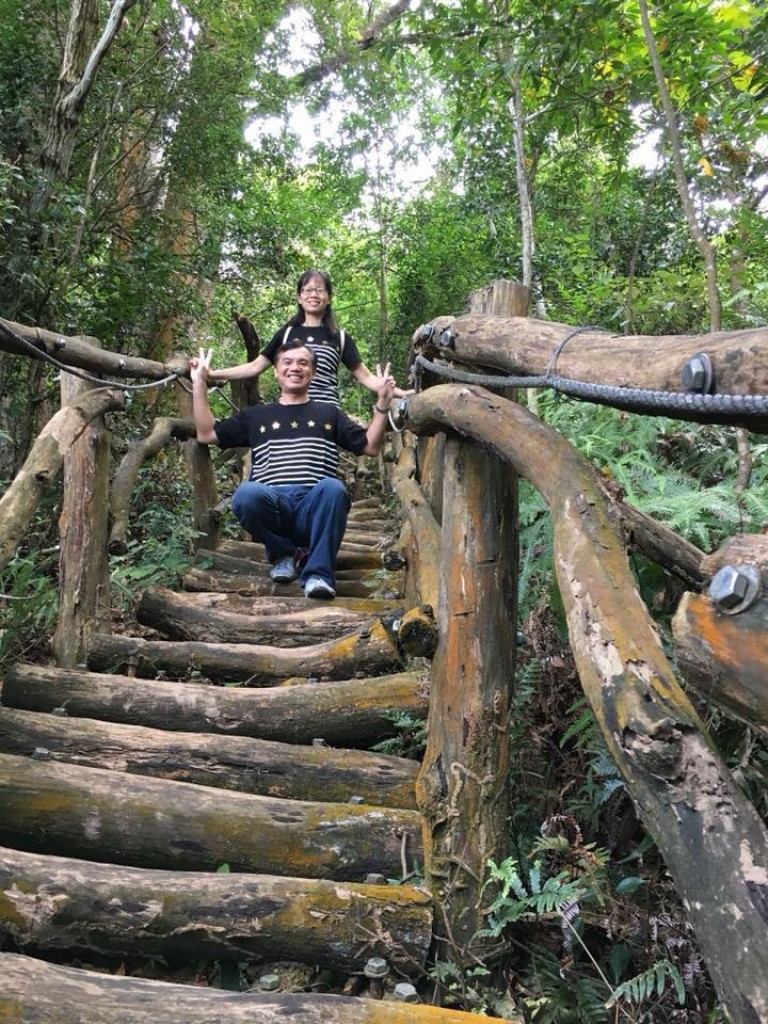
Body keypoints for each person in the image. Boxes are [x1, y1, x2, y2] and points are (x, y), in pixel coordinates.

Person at [190, 338, 396, 600]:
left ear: (314, 372)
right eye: (287, 362)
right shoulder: (256, 415)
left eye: (303, 363)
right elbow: (206, 433)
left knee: (333, 488)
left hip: (314, 506)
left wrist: (383, 405)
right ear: (275, 371)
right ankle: (285, 553)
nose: (295, 368)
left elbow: (369, 446)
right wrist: (199, 383)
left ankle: (319, 575)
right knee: (245, 495)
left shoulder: (329, 413)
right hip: (275, 507)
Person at [208, 269, 411, 406]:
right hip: (290, 410)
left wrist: (397, 392)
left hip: (327, 415)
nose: (313, 294)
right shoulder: (286, 334)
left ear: (329, 297)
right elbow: (254, 367)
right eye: (307, 290)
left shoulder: (339, 338)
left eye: (320, 290)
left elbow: (366, 377)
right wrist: (212, 374)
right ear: (299, 297)